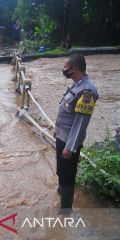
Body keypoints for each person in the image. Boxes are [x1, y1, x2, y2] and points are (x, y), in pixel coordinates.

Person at [55, 54, 98, 213]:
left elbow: (80, 122)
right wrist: (57, 130)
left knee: (67, 175)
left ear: (76, 69)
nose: (63, 70)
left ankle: (65, 212)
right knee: (61, 169)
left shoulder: (87, 91)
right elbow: (66, 111)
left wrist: (70, 147)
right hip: (62, 136)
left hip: (69, 143)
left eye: (65, 67)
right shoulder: (77, 84)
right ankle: (62, 194)